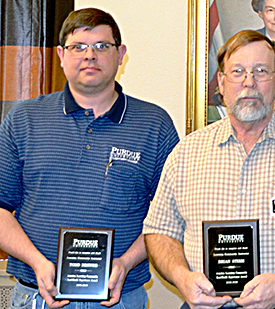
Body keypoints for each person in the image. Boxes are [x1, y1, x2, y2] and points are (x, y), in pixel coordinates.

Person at [143, 29, 275, 309]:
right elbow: (159, 230)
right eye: (237, 71)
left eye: (261, 71)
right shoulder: (186, 152)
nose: (249, 82)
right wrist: (182, 277)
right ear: (221, 81)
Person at [0, 8, 179, 309]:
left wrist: (124, 262)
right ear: (60, 54)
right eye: (78, 47)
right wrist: (38, 263)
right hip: (35, 295)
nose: (90, 56)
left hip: (121, 298)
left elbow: (169, 215)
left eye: (101, 46)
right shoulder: (23, 119)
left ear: (121, 53)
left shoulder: (154, 124)